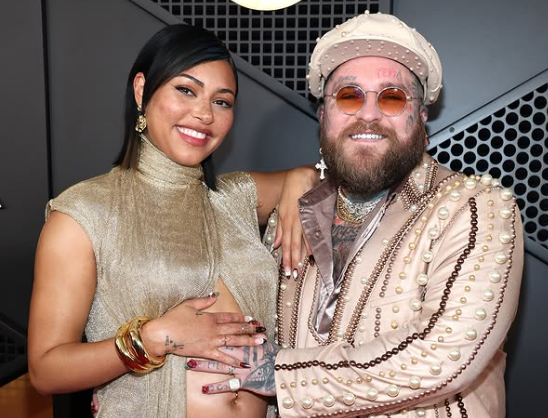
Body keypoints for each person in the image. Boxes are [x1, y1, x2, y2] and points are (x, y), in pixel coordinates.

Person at [188, 11, 524, 418]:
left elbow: (443, 354)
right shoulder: (294, 211)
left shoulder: (473, 207)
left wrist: (280, 376)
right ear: (323, 116)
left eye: (392, 97)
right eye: (348, 95)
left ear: (420, 118)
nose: (368, 113)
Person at [27, 24, 315, 418]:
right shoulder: (83, 213)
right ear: (142, 90)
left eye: (222, 101)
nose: (203, 113)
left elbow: (316, 179)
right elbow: (46, 370)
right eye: (186, 90)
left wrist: (302, 178)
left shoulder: (237, 197)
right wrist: (158, 338)